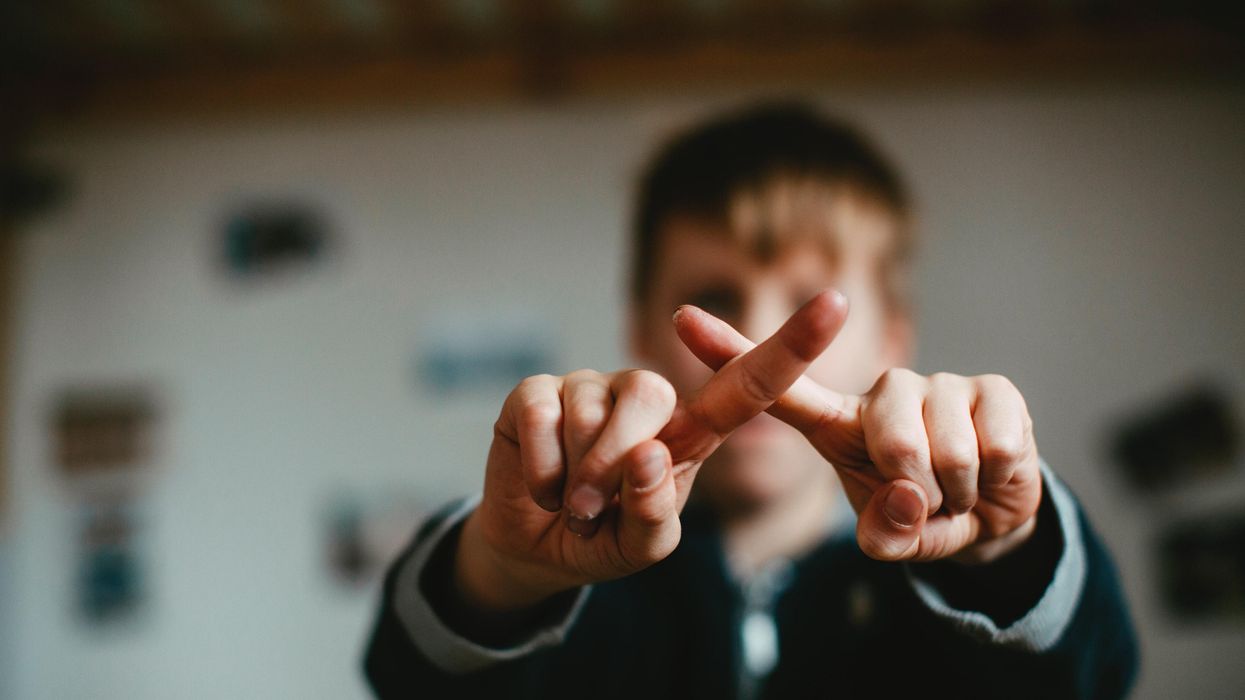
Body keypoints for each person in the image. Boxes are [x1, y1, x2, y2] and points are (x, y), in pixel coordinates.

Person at [363, 102, 1138, 699]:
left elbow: (1090, 675)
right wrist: (503, 573)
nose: (761, 347)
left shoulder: (937, 597)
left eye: (810, 304)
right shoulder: (573, 582)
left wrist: (1004, 551)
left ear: (894, 340)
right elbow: (410, 674)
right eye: (713, 296)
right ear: (641, 327)